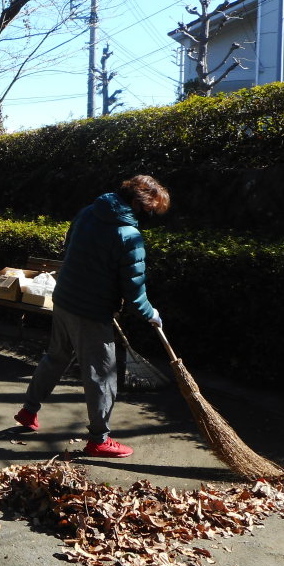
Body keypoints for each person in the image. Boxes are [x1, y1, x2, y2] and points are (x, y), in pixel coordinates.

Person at [14, 174, 170, 459]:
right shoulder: (129, 236)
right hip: (91, 312)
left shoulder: (88, 212)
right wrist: (151, 314)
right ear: (138, 202)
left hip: (64, 298)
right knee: (102, 374)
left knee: (56, 356)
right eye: (151, 208)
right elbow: (134, 291)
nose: (151, 214)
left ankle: (28, 410)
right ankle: (99, 439)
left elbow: (71, 248)